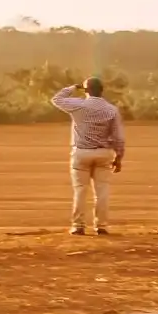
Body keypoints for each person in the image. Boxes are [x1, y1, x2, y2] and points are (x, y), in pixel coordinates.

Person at [53, 78, 126, 236]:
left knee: (80, 190)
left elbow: (56, 99)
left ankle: (78, 225)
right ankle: (101, 225)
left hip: (82, 152)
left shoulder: (79, 105)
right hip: (104, 152)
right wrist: (119, 157)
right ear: (102, 90)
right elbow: (118, 137)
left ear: (86, 90)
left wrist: (73, 87)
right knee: (102, 191)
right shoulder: (111, 110)